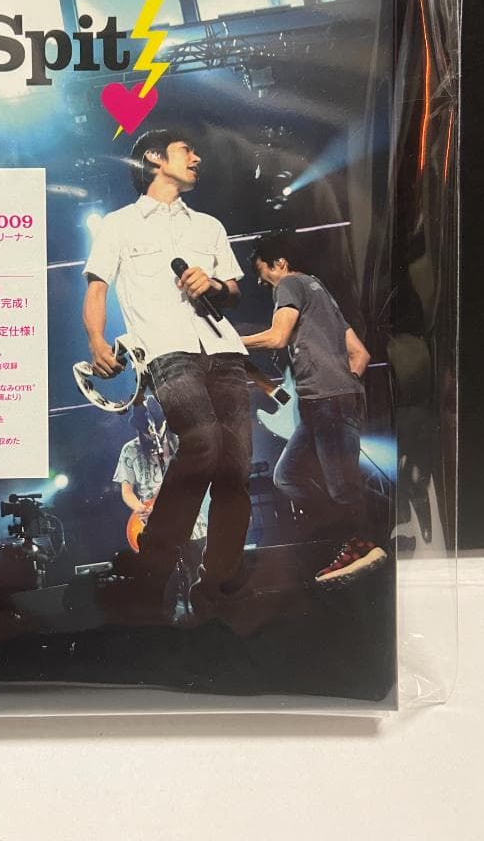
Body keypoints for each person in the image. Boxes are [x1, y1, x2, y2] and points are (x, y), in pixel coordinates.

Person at [83, 128, 251, 618]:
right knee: (203, 443)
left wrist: (213, 284)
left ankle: (216, 586)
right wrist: (96, 341)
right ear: (156, 159)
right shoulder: (119, 224)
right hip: (165, 351)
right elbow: (97, 288)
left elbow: (234, 291)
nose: (197, 158)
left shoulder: (209, 226)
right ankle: (151, 568)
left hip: (223, 350)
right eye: (187, 151)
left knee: (235, 468)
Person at [241, 234, 387, 586]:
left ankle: (365, 541)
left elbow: (276, 337)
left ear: (280, 263)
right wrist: (344, 384)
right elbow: (361, 354)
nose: (262, 283)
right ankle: (361, 526)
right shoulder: (320, 292)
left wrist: (230, 343)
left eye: (262, 273)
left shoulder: (289, 283)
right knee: (286, 476)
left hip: (326, 401)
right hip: (326, 400)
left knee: (340, 488)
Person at [113, 398, 207, 602]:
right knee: (163, 584)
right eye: (146, 431)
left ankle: (202, 611)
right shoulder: (130, 450)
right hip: (151, 522)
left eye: (156, 428)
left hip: (188, 520)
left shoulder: (182, 444)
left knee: (198, 573)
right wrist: (141, 508)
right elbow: (126, 491)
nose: (151, 434)